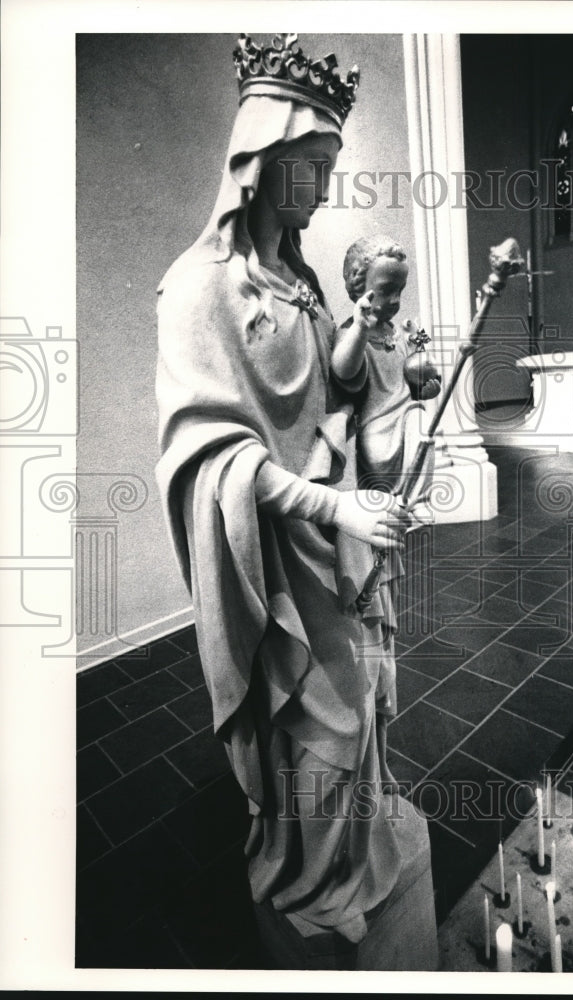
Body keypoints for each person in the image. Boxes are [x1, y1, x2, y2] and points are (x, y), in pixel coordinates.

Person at [154, 33, 429, 946]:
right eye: (309, 168)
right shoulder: (198, 290)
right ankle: (310, 875)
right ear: (261, 161)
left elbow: (330, 397)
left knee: (361, 704)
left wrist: (389, 368)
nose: (319, 190)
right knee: (316, 714)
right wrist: (335, 504)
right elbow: (216, 450)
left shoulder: (304, 284)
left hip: (335, 539)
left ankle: (351, 853)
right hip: (270, 554)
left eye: (327, 170)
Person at [335, 235, 441, 495]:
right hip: (376, 428)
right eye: (386, 290)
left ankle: (414, 503)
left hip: (408, 419)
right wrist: (360, 328)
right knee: (387, 450)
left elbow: (418, 378)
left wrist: (429, 385)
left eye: (400, 291)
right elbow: (342, 371)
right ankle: (399, 507)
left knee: (420, 421)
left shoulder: (399, 334)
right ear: (359, 287)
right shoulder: (351, 334)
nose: (395, 300)